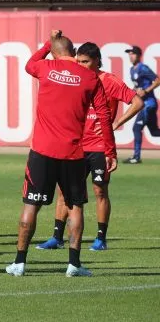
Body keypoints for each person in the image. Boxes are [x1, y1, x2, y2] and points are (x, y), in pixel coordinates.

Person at [6, 30, 112, 278]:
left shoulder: (45, 68)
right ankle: (74, 264)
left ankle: (19, 263)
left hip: (42, 151)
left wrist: (47, 43)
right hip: (73, 152)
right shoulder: (89, 78)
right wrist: (110, 149)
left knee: (31, 204)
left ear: (54, 53)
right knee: (75, 207)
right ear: (75, 54)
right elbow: (105, 115)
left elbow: (30, 64)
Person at [38, 42, 141, 252]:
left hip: (100, 147)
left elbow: (137, 102)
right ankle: (57, 237)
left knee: (99, 190)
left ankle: (101, 238)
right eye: (78, 61)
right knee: (63, 192)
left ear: (97, 61)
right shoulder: (76, 79)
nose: (81, 65)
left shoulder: (109, 81)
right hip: (76, 144)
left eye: (85, 62)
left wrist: (117, 123)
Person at [124, 45, 157, 164]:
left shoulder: (143, 68)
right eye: (129, 54)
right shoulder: (132, 69)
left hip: (148, 104)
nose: (130, 56)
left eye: (133, 54)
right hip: (145, 104)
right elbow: (138, 87)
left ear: (138, 55)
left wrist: (146, 91)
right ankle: (136, 157)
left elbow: (157, 80)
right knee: (154, 132)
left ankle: (136, 157)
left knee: (136, 128)